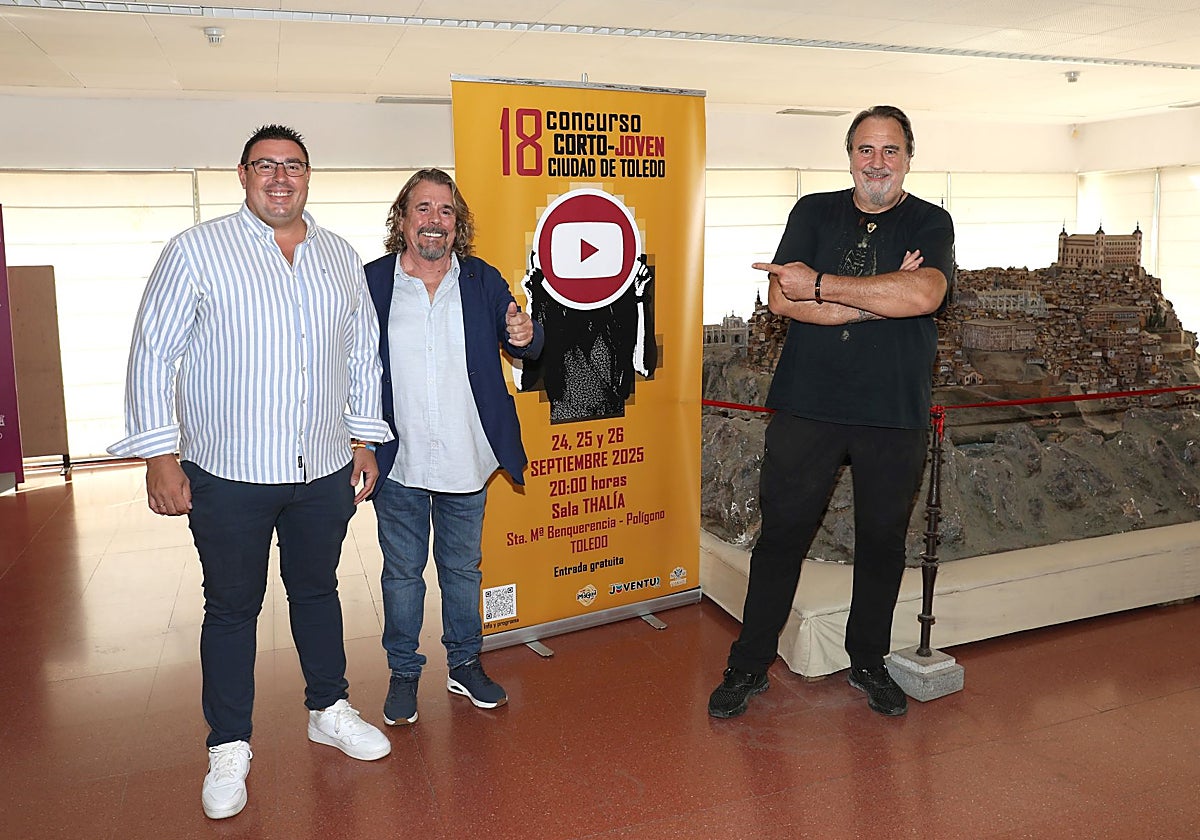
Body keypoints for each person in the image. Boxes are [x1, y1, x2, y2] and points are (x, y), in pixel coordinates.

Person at [109, 124, 393, 821]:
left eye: (293, 165)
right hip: (228, 473)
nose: (280, 177)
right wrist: (158, 454)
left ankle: (327, 708)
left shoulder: (337, 255)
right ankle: (229, 744)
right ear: (242, 175)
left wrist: (363, 437)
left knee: (318, 592)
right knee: (233, 609)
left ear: (308, 176)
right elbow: (153, 353)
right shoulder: (197, 252)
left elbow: (362, 355)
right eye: (265, 165)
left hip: (323, 469)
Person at [707, 105, 954, 719]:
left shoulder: (932, 220)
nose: (878, 162)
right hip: (807, 406)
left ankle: (867, 662)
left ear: (907, 158)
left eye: (890, 150)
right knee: (781, 537)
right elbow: (780, 300)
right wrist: (878, 298)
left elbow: (925, 293)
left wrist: (821, 282)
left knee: (881, 543)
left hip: (894, 413)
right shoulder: (813, 211)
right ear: (849, 156)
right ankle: (747, 664)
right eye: (866, 150)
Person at [364, 168, 543, 726]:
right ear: (402, 219)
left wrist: (524, 334)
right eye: (423, 209)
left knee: (463, 570)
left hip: (467, 458)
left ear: (457, 223)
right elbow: (349, 367)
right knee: (401, 573)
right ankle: (404, 672)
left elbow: (529, 339)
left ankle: (465, 665)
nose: (434, 221)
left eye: (445, 211)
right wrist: (357, 441)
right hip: (399, 460)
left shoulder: (482, 280)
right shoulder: (372, 282)